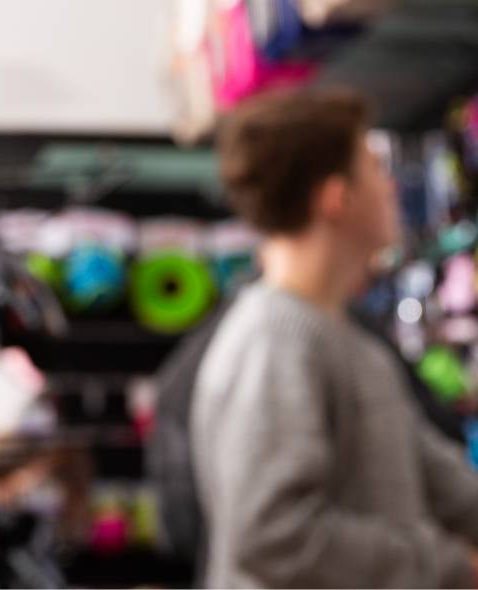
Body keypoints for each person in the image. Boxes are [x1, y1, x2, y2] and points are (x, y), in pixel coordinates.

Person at [192, 88, 478, 588]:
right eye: (373, 169)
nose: (390, 188)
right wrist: (449, 570)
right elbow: (273, 536)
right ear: (335, 197)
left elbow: (436, 477)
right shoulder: (274, 341)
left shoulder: (349, 341)